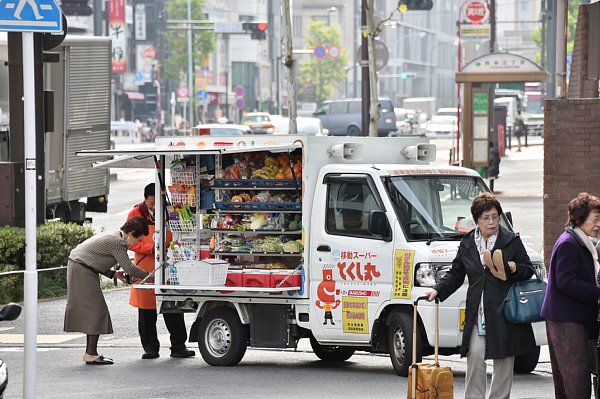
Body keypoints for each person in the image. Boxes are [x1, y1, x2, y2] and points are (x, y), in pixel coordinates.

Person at [425, 192, 535, 399]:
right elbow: (457, 272)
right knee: (474, 355)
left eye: (495, 216)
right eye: (486, 218)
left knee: (503, 361)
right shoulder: (468, 243)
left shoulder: (511, 241)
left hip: (504, 311)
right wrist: (438, 289)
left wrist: (512, 268)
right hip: (478, 311)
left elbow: (528, 269)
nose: (492, 222)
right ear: (476, 220)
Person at [64, 217, 150, 365]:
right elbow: (130, 268)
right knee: (96, 310)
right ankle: (90, 354)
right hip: (82, 270)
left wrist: (114, 274)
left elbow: (95, 258)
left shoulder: (114, 235)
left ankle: (91, 353)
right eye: (137, 240)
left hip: (81, 267)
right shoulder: (119, 242)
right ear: (130, 233)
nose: (136, 244)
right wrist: (150, 276)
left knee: (94, 310)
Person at [541, 192, 600, 398]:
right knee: (576, 382)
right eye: (595, 219)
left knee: (567, 382)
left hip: (566, 318)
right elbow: (565, 282)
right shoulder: (569, 243)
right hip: (566, 320)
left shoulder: (578, 240)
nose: (598, 224)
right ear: (580, 218)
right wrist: (598, 294)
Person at [127, 183, 195, 360]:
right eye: (150, 203)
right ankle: (150, 348)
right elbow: (130, 241)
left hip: (168, 266)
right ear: (145, 199)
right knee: (146, 311)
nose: (153, 207)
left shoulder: (169, 211)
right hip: (144, 267)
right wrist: (152, 248)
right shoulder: (136, 213)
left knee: (172, 306)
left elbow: (175, 233)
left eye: (156, 203)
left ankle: (179, 346)